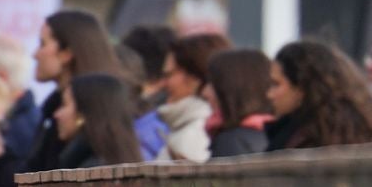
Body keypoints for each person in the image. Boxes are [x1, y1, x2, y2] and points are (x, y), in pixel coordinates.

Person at [0, 10, 124, 187]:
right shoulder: (53, 110)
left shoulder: (95, 119)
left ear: (67, 53)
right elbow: (37, 180)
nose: (35, 54)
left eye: (43, 44)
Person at [266, 39, 372, 150]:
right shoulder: (354, 130)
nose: (269, 95)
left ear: (301, 88)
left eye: (276, 84)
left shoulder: (304, 141)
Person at [155, 32, 231, 163]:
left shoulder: (195, 134)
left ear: (194, 77)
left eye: (169, 75)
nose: (163, 83)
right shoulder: (192, 128)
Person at [54, 73, 144, 169]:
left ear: (84, 113)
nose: (57, 114)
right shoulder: (119, 159)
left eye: (64, 105)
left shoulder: (90, 171)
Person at [203, 48, 273, 158]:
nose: (205, 92)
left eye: (212, 84)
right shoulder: (275, 135)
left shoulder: (230, 142)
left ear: (230, 89)